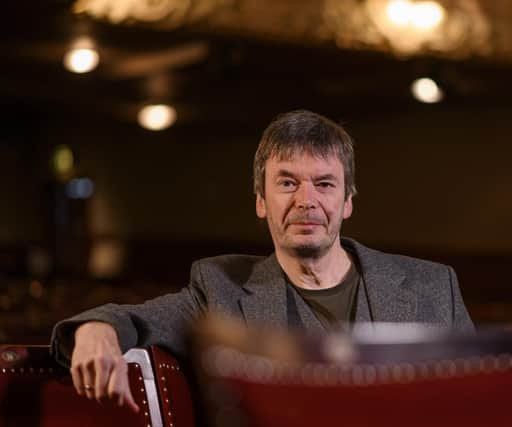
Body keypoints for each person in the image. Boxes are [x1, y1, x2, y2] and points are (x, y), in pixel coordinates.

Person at [50, 109, 474, 412]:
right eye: (287, 182)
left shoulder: (434, 288)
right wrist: (97, 330)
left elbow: (481, 405)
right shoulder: (220, 288)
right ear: (260, 201)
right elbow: (135, 319)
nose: (306, 201)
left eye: (324, 184)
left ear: (347, 202)